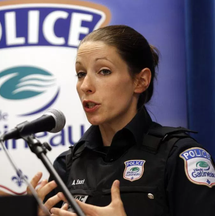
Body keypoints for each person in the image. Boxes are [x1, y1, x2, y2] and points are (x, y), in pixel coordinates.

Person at [27, 25, 215, 216]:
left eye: (104, 71)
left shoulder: (179, 156)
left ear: (140, 81)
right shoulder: (67, 165)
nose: (86, 86)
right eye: (81, 74)